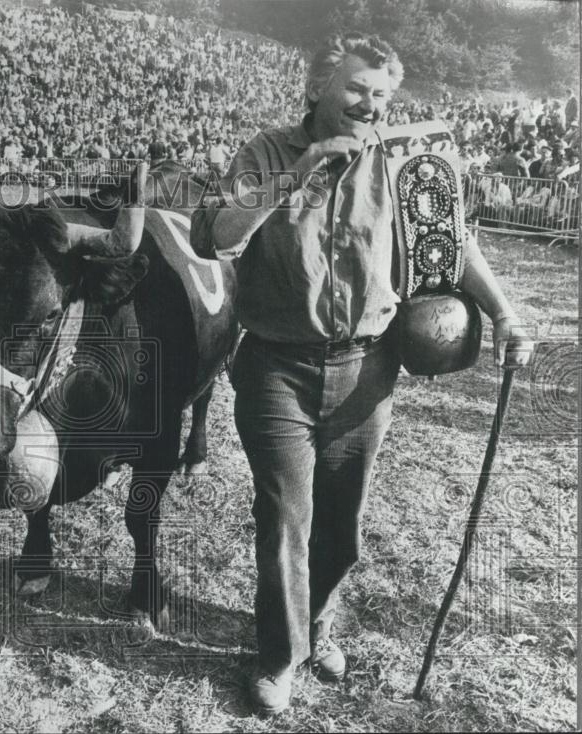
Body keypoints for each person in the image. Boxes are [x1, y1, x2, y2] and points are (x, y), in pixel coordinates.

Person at [193, 31, 533, 715]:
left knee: (340, 529)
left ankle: (317, 625)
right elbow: (214, 235)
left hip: (368, 369)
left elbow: (453, 242)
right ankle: (281, 657)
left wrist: (503, 314)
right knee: (287, 517)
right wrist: (301, 173)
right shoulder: (265, 152)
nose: (370, 103)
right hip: (276, 369)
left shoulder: (405, 162)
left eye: (381, 94)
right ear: (319, 88)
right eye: (356, 89)